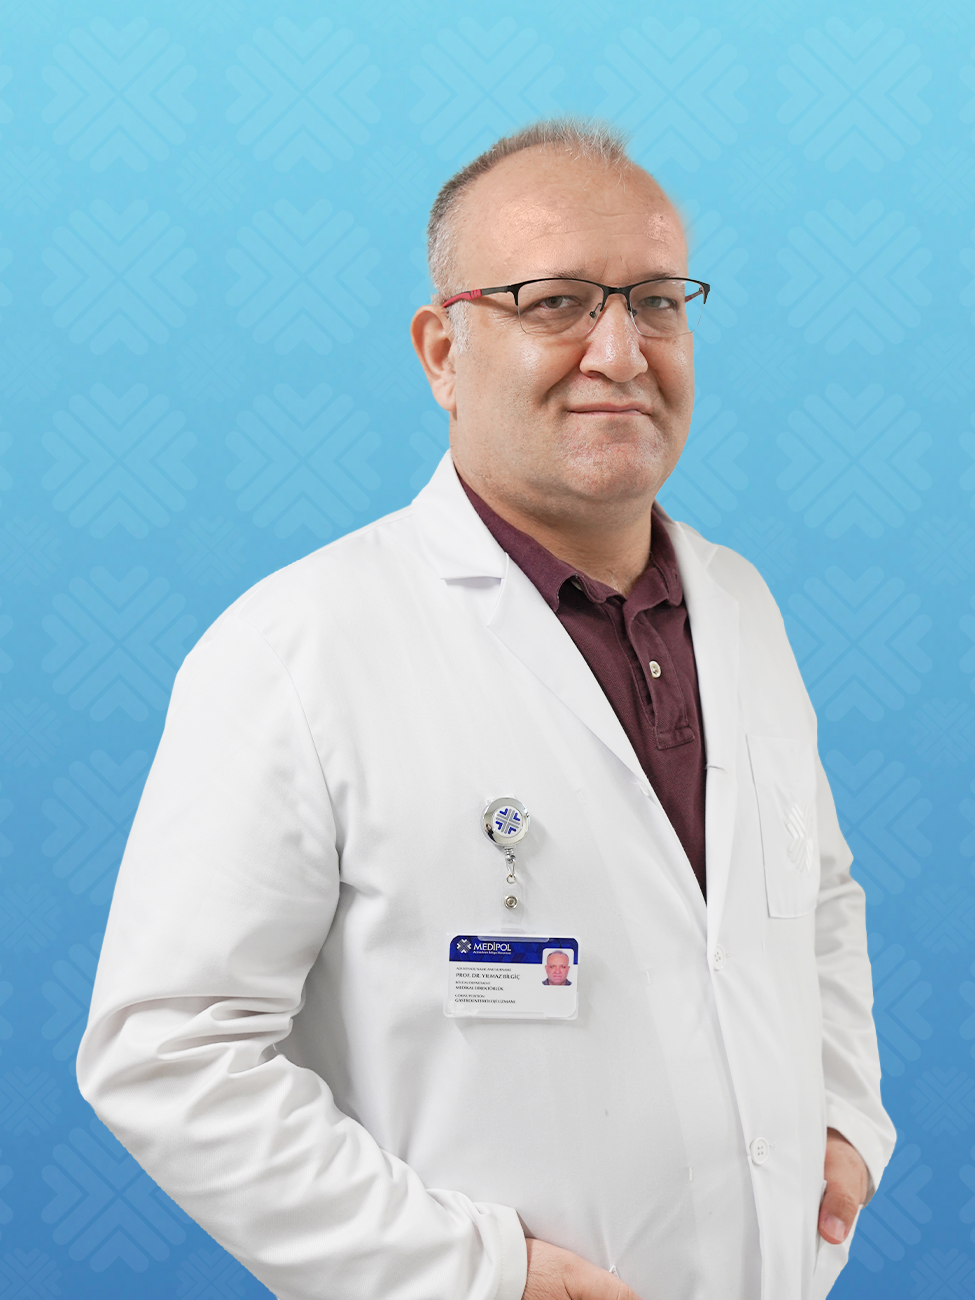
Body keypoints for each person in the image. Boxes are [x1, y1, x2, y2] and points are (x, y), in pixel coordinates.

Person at [77, 120, 895, 1300]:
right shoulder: (295, 649)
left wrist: (847, 1112)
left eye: (657, 302)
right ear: (442, 352)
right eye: (555, 302)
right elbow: (166, 1052)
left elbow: (815, 898)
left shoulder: (740, 605)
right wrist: (471, 1271)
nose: (620, 350)